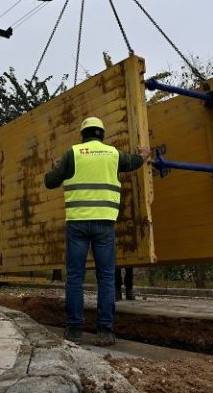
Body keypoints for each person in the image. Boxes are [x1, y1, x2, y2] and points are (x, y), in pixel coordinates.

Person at [44, 116, 150, 346]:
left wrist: (55, 170)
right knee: (106, 277)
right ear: (102, 134)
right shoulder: (113, 154)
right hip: (104, 225)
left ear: (83, 135)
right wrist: (144, 154)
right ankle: (105, 332)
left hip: (77, 224)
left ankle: (74, 330)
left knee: (74, 277)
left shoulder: (73, 153)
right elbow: (134, 162)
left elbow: (50, 182)